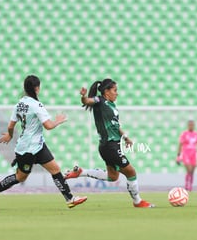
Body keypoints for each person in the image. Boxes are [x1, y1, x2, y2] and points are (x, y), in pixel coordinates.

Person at [0, 75, 87, 209]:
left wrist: (9, 136)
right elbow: (48, 126)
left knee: (55, 169)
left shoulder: (19, 104)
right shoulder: (36, 105)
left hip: (36, 145)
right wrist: (58, 120)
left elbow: (10, 126)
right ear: (36, 88)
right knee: (20, 177)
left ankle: (70, 199)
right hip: (28, 149)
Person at [65, 78, 155, 208]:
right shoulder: (100, 101)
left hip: (109, 146)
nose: (116, 93)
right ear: (106, 91)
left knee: (113, 177)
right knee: (131, 172)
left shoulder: (112, 105)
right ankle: (137, 201)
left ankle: (81, 172)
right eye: (115, 90)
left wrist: (125, 137)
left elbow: (115, 125)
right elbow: (87, 101)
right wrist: (83, 96)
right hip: (109, 146)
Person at [176, 120, 197, 191]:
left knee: (192, 171)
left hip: (193, 154)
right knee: (189, 170)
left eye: (192, 125)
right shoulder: (184, 134)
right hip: (186, 154)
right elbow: (180, 144)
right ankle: (187, 185)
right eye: (190, 125)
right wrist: (178, 155)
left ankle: (190, 186)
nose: (191, 126)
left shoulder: (196, 134)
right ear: (188, 125)